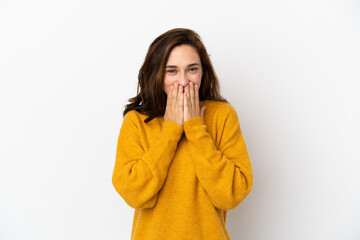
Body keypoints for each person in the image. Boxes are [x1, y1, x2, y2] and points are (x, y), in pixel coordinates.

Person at [112, 28, 253, 240]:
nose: (184, 80)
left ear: (203, 71)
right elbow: (134, 194)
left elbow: (232, 194)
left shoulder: (222, 115)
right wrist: (171, 129)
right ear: (157, 74)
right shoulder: (136, 122)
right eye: (172, 71)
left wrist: (196, 127)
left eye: (192, 69)